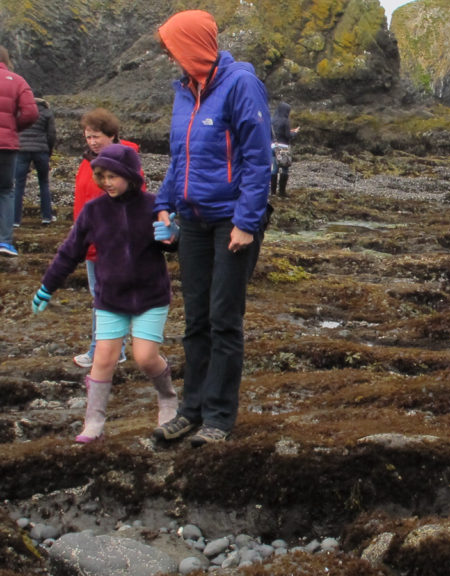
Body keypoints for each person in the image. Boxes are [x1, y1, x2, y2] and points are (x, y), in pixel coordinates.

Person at [152, 9, 272, 447]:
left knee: (224, 320)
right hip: (194, 222)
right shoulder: (184, 92)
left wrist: (246, 221)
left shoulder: (241, 84)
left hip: (231, 223)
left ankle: (219, 417)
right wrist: (163, 205)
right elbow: (179, 158)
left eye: (174, 47)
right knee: (195, 321)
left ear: (194, 45)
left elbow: (260, 160)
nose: (171, 56)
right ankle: (191, 411)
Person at [31, 144, 177, 443]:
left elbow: (173, 244)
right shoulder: (93, 211)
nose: (107, 182)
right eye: (102, 176)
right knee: (103, 357)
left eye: (113, 176)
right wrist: (48, 286)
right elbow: (69, 252)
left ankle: (168, 397)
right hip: (110, 299)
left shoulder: (152, 205)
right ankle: (94, 421)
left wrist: (172, 236)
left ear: (131, 176)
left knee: (145, 357)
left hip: (151, 297)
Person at [72, 108, 143, 369]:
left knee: (106, 297)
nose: (92, 142)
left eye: (97, 136)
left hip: (114, 243)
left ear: (112, 135)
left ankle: (106, 352)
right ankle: (109, 350)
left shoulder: (125, 162)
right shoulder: (87, 161)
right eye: (88, 137)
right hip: (92, 243)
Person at [0, 45, 39, 257]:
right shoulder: (17, 80)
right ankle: (4, 242)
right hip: (6, 145)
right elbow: (31, 112)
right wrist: (15, 127)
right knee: (5, 191)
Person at [13, 94, 55, 226]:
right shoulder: (47, 112)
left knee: (19, 184)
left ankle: (15, 220)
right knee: (43, 182)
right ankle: (47, 217)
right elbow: (51, 134)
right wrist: (49, 150)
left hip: (22, 151)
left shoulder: (20, 112)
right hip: (41, 150)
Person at [270, 101, 298, 196]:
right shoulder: (285, 121)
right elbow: (288, 135)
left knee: (274, 169)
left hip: (273, 147)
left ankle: (273, 192)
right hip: (284, 148)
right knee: (285, 169)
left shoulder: (272, 120)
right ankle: (282, 192)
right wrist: (295, 132)